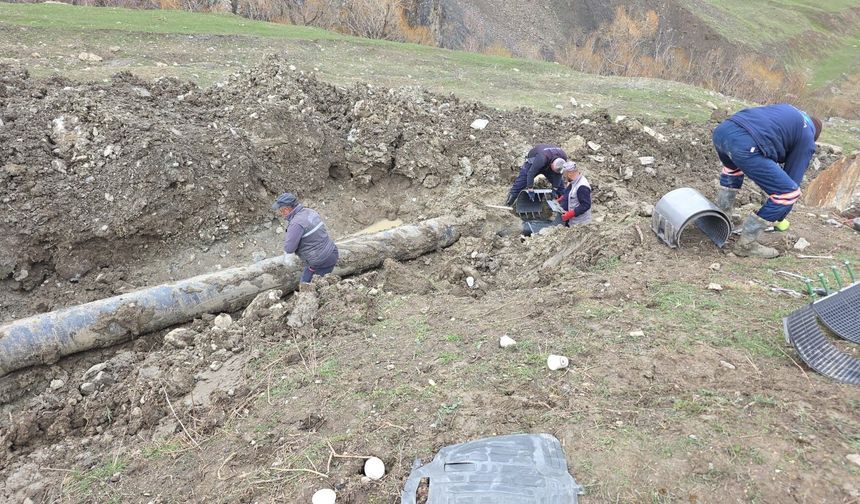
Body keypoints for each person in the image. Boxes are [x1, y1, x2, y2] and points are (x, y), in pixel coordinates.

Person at [712, 104, 821, 258]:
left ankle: (718, 221)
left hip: (723, 131)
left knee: (733, 170)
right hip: (745, 143)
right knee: (788, 194)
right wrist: (779, 217)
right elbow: (791, 183)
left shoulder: (790, 112)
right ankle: (746, 245)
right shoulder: (807, 137)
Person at [272, 192, 339, 290]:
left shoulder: (296, 223)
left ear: (286, 209)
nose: (281, 214)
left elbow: (289, 248)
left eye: (281, 211)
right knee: (317, 284)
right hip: (332, 252)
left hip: (320, 261)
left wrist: (287, 258)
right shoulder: (309, 211)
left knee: (306, 289)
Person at [555, 161, 592, 226]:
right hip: (570, 221)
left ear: (569, 174)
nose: (564, 177)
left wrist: (571, 214)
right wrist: (561, 198)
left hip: (579, 224)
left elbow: (585, 205)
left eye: (564, 174)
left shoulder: (582, 186)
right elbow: (569, 192)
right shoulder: (574, 181)